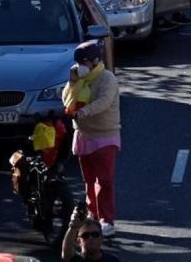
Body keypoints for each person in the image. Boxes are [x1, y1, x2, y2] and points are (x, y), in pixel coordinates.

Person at [63, 41, 120, 238]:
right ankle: (92, 216)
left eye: (84, 61)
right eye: (79, 62)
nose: (81, 65)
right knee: (89, 180)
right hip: (83, 135)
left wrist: (83, 112)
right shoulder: (80, 79)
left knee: (104, 181)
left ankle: (106, 221)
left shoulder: (107, 78)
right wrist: (72, 82)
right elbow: (66, 100)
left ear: (95, 61)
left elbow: (104, 102)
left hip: (104, 135)